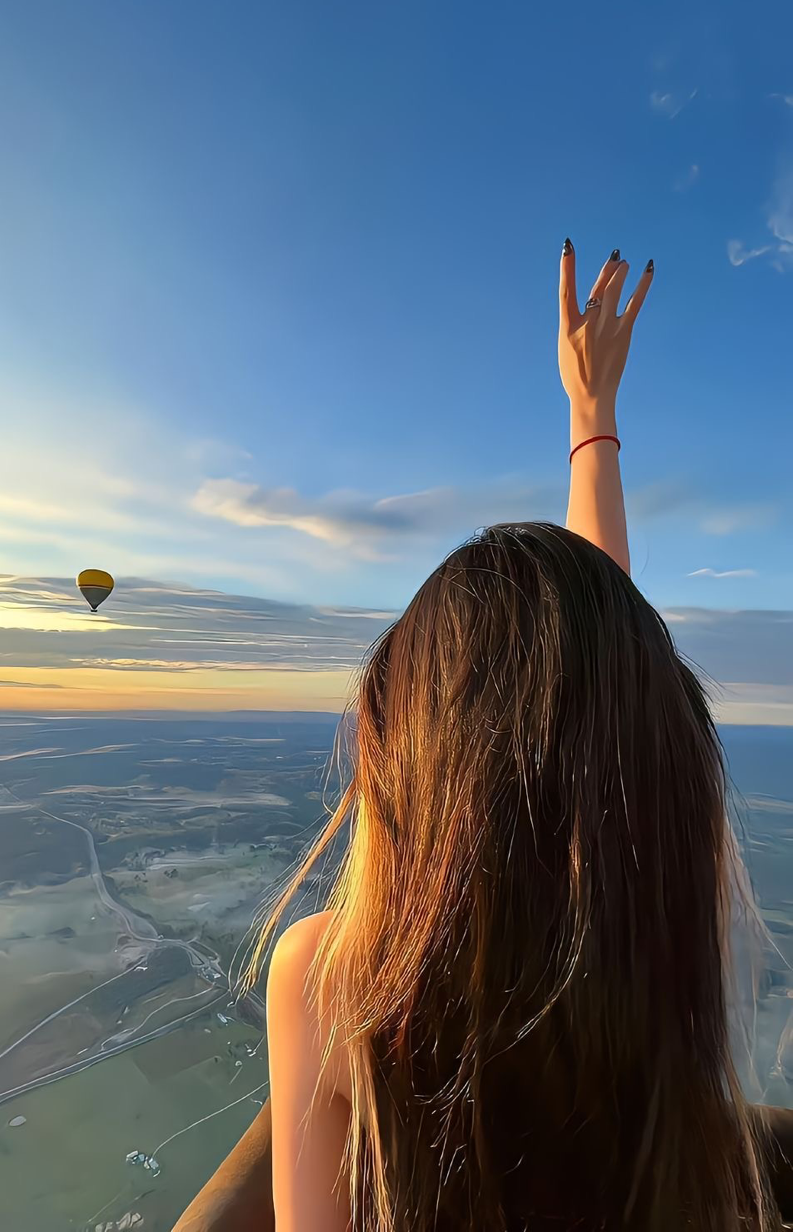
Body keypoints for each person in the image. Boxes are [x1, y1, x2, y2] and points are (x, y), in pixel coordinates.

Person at [173, 243, 793, 1231]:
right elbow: (581, 715)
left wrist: (591, 421)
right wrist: (594, 424)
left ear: (401, 759)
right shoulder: (649, 948)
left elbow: (563, 706)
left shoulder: (336, 977)